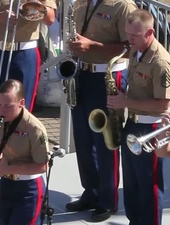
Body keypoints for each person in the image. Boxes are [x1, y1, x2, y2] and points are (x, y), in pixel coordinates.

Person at [0, 0, 56, 188]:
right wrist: (0, 17)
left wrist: (32, 8)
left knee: (22, 115)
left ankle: (18, 171)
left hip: (24, 53)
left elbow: (50, 19)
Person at [66, 0, 137, 222]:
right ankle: (91, 191)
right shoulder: (82, 2)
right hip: (83, 74)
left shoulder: (123, 6)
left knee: (106, 141)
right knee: (84, 139)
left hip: (107, 76)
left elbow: (131, 47)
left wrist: (93, 47)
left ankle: (108, 200)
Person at [107, 9, 170, 225]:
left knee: (149, 186)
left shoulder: (161, 62)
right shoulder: (137, 51)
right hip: (133, 126)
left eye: (134, 35)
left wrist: (125, 102)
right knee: (133, 183)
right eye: (128, 34)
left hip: (151, 129)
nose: (129, 39)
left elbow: (162, 104)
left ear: (149, 33)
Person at [0, 79, 49, 225]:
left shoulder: (35, 129)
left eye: (8, 106)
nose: (1, 110)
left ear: (21, 103)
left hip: (29, 188)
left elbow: (44, 166)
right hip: (7, 183)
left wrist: (7, 169)